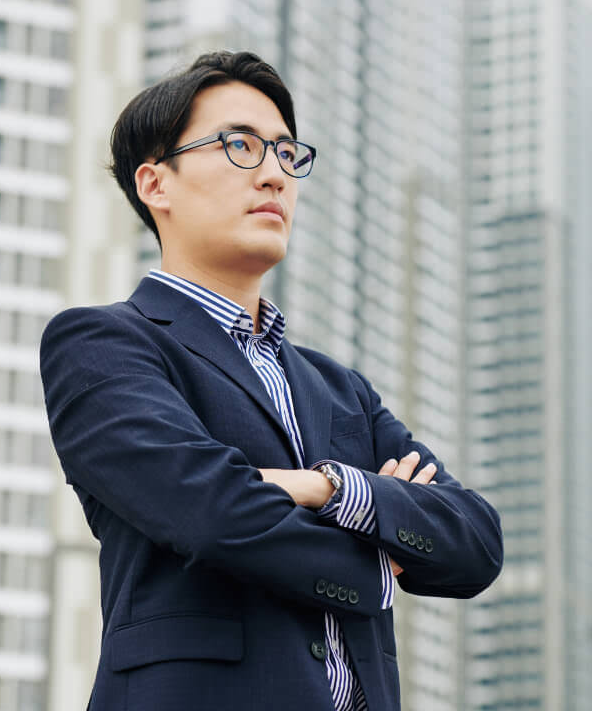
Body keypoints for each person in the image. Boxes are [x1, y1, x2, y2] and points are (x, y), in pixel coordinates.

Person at [39, 50, 503, 710]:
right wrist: (378, 543)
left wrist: (329, 486)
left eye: (288, 155)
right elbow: (209, 511)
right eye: (240, 146)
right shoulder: (103, 343)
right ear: (156, 183)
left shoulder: (341, 390)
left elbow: (475, 540)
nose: (274, 175)